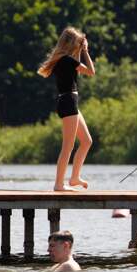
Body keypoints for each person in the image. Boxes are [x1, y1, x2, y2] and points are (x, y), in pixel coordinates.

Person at [37, 26, 96, 191]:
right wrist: (85, 51)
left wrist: (79, 49)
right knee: (68, 146)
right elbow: (91, 71)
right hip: (69, 101)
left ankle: (75, 177)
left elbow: (75, 67)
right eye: (77, 42)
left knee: (86, 141)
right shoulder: (67, 60)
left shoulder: (63, 60)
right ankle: (58, 184)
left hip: (69, 101)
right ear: (71, 43)